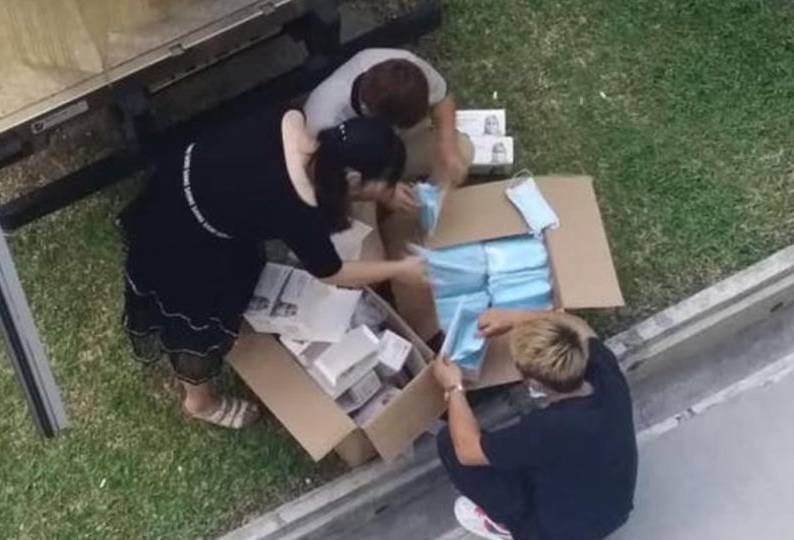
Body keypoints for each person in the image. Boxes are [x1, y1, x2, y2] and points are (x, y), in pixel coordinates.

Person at [118, 108, 427, 430]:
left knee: (239, 275)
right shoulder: (296, 207)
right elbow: (331, 271)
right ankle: (199, 401)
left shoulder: (291, 121)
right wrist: (399, 268)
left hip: (183, 183)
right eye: (383, 183)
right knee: (196, 324)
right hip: (183, 240)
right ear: (351, 179)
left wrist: (383, 191)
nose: (386, 189)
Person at [432, 308, 637, 540]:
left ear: (535, 385)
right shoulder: (605, 374)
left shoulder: (549, 429)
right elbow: (578, 325)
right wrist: (512, 317)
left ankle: (505, 525)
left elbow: (468, 451)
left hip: (557, 533)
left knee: (449, 441)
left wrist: (453, 388)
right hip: (615, 510)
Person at [304, 48, 474, 205]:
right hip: (349, 170)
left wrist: (447, 146)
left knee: (462, 151)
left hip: (395, 149)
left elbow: (442, 99)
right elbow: (319, 178)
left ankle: (411, 193)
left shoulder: (407, 71)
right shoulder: (323, 119)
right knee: (353, 231)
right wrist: (378, 193)